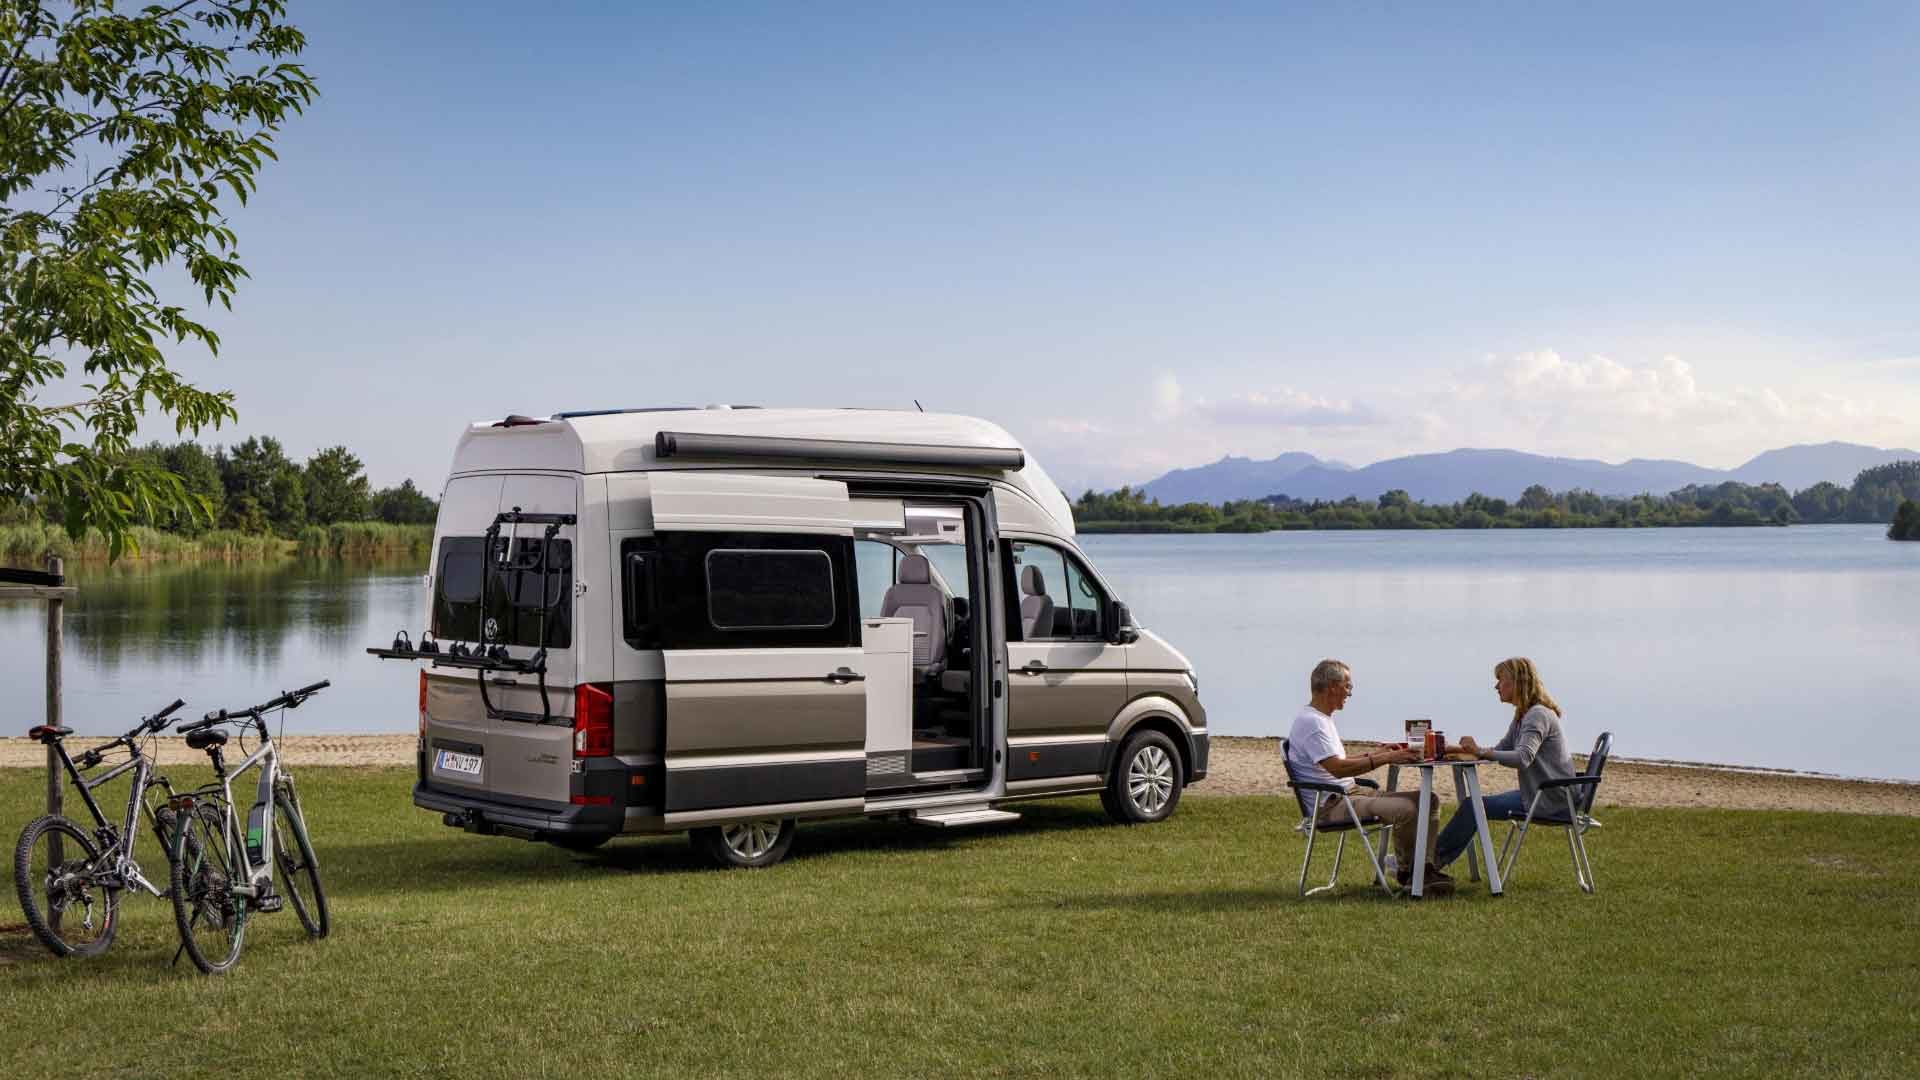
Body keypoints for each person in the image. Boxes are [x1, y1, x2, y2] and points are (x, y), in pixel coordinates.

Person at [1286, 659, 1451, 894]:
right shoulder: (1312, 723)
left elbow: (1336, 761)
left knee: (1429, 799)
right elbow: (1338, 769)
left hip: (1349, 794)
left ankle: (1422, 870)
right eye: (1347, 686)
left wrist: (1377, 753)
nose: (1349, 693)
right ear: (1332, 686)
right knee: (1406, 809)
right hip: (1333, 804)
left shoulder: (1321, 719)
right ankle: (1409, 873)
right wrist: (1383, 759)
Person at [1433, 656, 1577, 871]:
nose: (1496, 686)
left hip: (1547, 800)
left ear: (1518, 682)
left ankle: (1427, 864)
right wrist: (1454, 750)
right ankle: (1427, 862)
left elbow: (1522, 758)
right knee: (1473, 805)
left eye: (1501, 680)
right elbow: (1502, 748)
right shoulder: (1524, 714)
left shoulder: (1536, 715)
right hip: (1540, 793)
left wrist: (1481, 752)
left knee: (1473, 806)